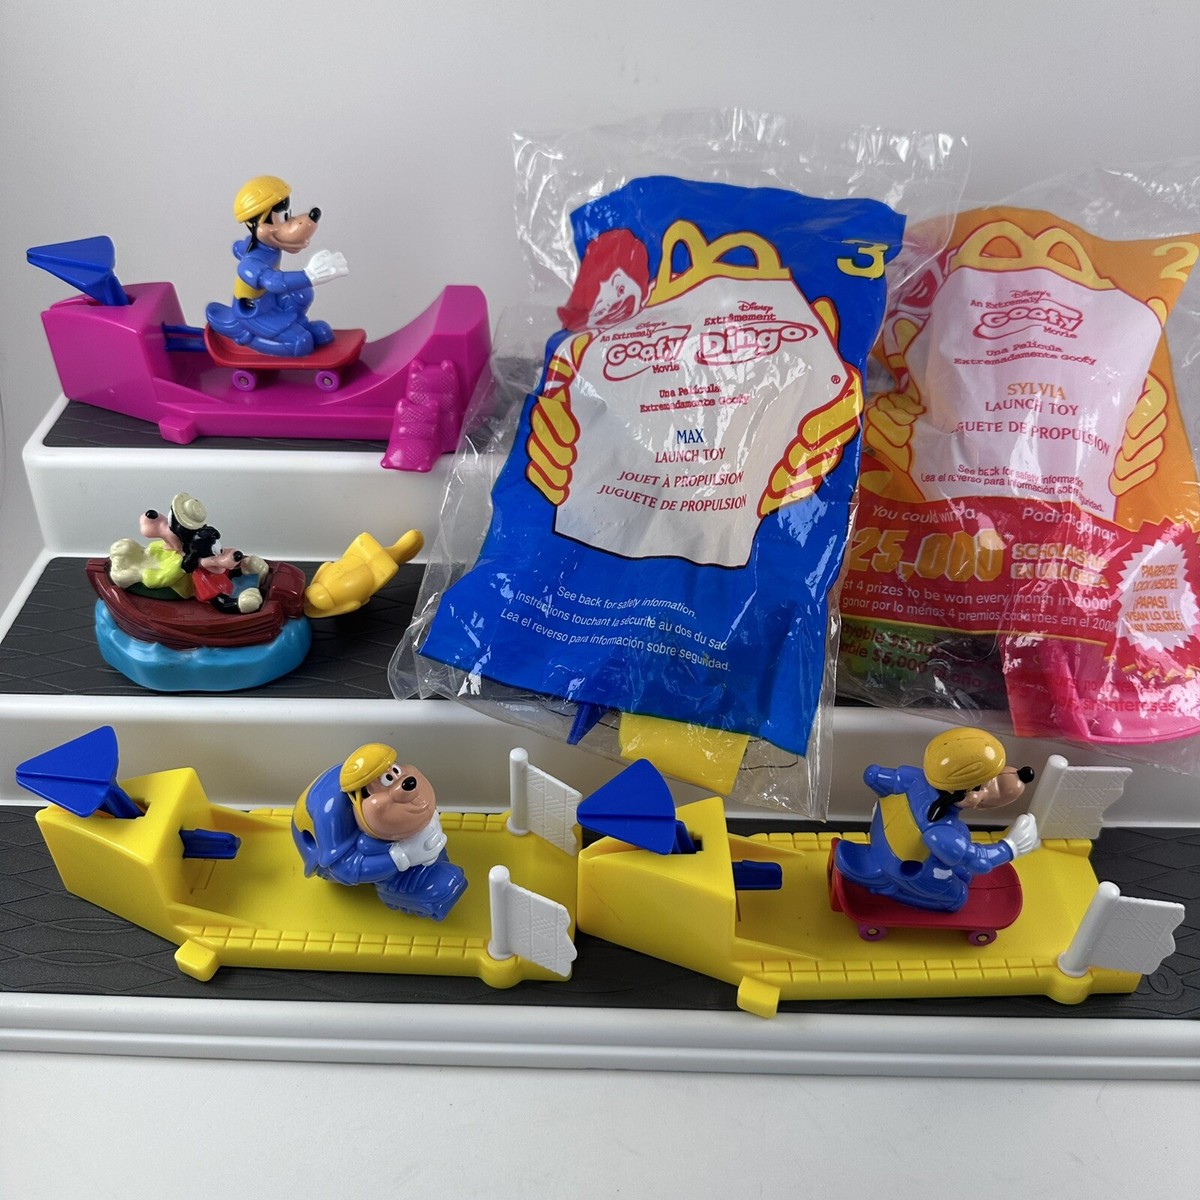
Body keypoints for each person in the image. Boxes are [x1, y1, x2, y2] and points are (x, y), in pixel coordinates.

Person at [833, 727, 1040, 912]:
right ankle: (891, 888)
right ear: (957, 792)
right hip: (901, 867)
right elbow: (976, 860)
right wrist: (1011, 847)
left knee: (962, 857)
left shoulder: (916, 778)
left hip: (883, 835)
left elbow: (873, 776)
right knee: (958, 897)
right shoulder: (940, 831)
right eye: (979, 787)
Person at [291, 743, 467, 920]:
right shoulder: (331, 813)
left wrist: (428, 824)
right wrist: (402, 857)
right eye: (388, 780)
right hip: (326, 857)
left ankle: (423, 860)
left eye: (395, 771)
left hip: (376, 830)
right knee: (368, 845)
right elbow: (342, 867)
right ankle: (393, 885)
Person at [205, 174, 348, 357]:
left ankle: (297, 323)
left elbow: (239, 248)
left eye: (285, 216)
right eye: (273, 219)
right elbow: (274, 282)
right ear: (253, 224)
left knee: (303, 292)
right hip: (254, 313)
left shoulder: (265, 246)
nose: (287, 223)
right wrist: (310, 275)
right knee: (301, 343)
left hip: (271, 299)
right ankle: (250, 337)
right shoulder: (250, 264)